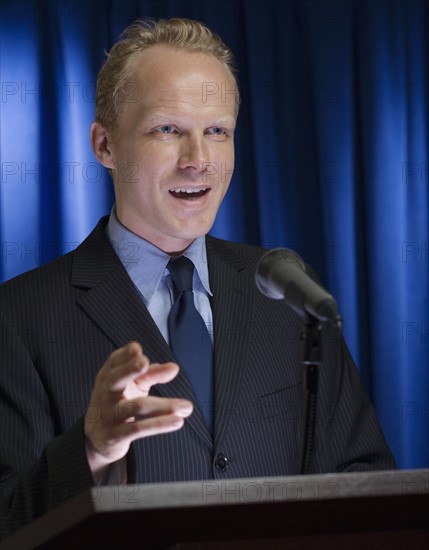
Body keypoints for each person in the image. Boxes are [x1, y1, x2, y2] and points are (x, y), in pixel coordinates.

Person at [0, 17, 395, 538]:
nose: (199, 160)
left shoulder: (286, 289)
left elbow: (364, 476)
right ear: (105, 146)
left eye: (217, 132)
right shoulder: (19, 316)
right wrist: (89, 450)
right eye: (168, 130)